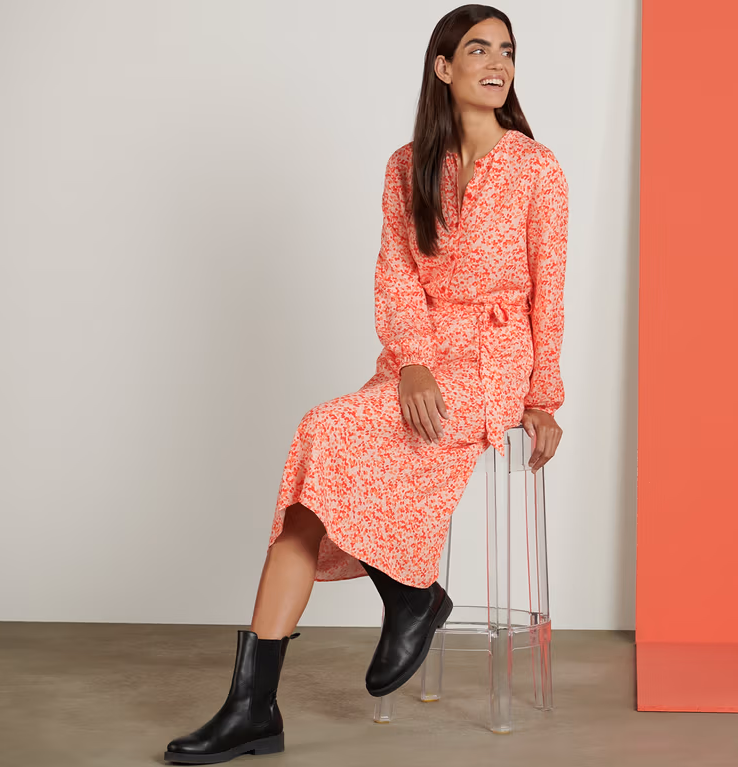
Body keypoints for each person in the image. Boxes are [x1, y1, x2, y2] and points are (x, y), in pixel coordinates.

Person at [164, 4, 568, 763]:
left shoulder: (537, 169)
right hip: (417, 361)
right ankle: (254, 706)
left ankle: (409, 592)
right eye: (478, 49)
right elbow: (396, 275)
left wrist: (543, 397)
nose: (498, 63)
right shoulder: (406, 165)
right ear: (442, 68)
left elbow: (551, 288)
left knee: (330, 433)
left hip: (491, 363)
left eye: (507, 51)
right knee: (312, 469)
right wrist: (411, 359)